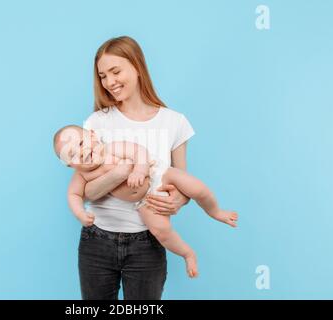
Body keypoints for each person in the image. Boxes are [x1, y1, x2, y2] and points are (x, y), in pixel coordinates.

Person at [71, 35, 196, 299]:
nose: (110, 82)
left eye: (116, 71)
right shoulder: (96, 123)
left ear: (137, 66)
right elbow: (85, 191)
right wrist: (120, 173)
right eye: (103, 76)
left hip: (147, 242)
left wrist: (179, 200)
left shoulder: (175, 122)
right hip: (97, 241)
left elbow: (182, 183)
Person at [53, 125, 238, 278]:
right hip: (144, 202)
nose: (83, 152)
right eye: (73, 154)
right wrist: (80, 213)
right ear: (71, 165)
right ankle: (187, 253)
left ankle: (215, 211)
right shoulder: (82, 176)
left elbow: (138, 151)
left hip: (159, 174)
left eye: (81, 142)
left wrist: (140, 170)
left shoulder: (112, 148)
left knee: (197, 188)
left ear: (92, 135)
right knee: (161, 231)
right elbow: (74, 195)